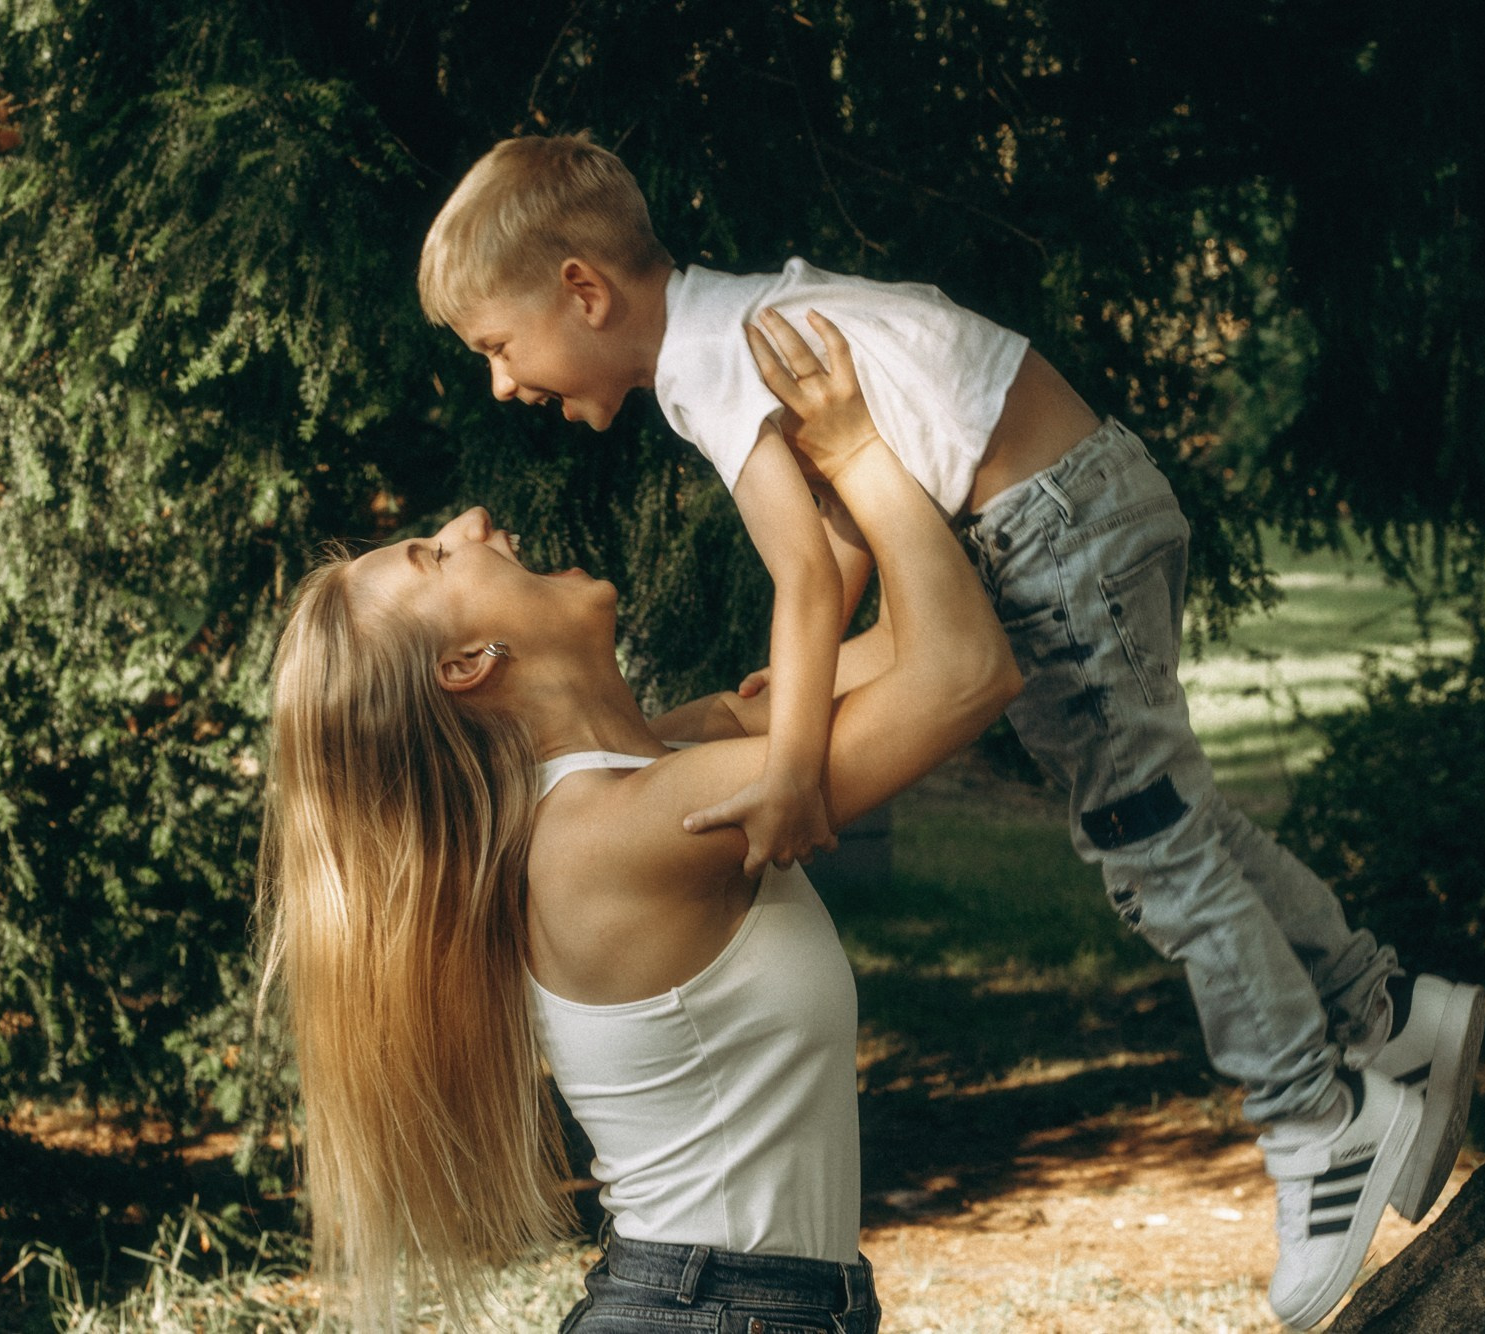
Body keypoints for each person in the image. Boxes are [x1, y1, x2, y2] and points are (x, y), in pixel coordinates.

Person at [415, 131, 1485, 1328]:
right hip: (1079, 503)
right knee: (1168, 825)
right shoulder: (738, 321)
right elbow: (837, 544)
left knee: (1150, 848)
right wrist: (791, 689)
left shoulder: (707, 365)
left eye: (495, 346)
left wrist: (789, 769)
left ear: (582, 289)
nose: (501, 382)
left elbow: (804, 576)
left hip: (1045, 532)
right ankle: (1383, 1012)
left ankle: (1316, 1120)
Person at [257, 314, 1020, 1331]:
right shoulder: (615, 833)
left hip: (733, 1305)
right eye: (436, 555)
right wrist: (855, 453)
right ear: (466, 664)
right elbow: (963, 672)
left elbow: (916, 643)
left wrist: (839, 460)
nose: (475, 519)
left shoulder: (650, 770)